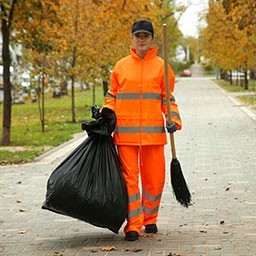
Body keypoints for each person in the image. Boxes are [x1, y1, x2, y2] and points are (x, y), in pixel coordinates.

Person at [103, 19, 182, 241]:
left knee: (154, 180)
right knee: (129, 179)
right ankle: (134, 224)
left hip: (153, 135)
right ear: (132, 38)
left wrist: (173, 120)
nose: (141, 39)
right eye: (138, 35)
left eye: (145, 36)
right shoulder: (121, 66)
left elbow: (168, 100)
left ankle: (150, 219)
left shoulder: (162, 68)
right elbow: (112, 95)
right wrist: (106, 113)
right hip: (125, 134)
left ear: (152, 38)